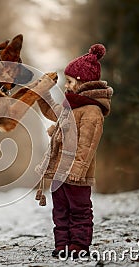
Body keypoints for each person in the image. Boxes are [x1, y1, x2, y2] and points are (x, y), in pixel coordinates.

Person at [35, 44, 113, 259]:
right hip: (60, 171)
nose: (67, 87)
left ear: (82, 82)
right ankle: (62, 245)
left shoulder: (91, 111)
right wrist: (42, 93)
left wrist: (77, 170)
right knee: (60, 211)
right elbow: (54, 112)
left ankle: (79, 245)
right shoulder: (73, 107)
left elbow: (87, 145)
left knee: (79, 210)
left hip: (77, 174)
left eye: (70, 82)